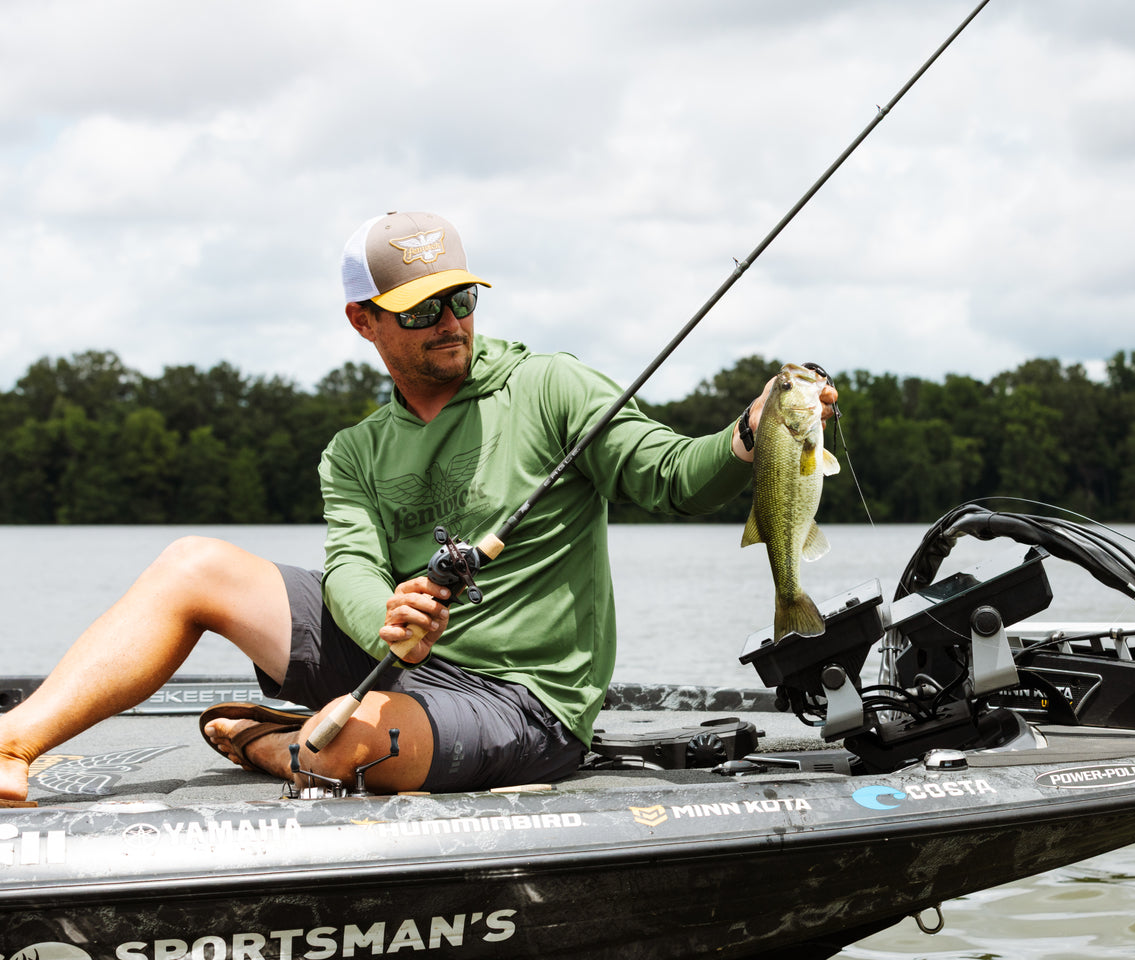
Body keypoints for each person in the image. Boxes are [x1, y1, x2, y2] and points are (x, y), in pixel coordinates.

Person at [0, 211, 837, 803]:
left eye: (462, 299)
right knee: (192, 564)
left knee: (346, 742)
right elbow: (354, 571)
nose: (452, 322)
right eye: (423, 309)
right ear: (364, 321)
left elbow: (672, 476)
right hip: (399, 658)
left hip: (525, 701)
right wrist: (389, 620)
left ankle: (262, 738)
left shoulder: (552, 384)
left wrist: (748, 432)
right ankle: (12, 744)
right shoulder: (354, 451)